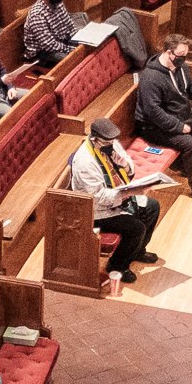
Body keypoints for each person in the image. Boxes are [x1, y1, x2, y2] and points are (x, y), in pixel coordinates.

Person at [69, 118, 161, 288]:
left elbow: (128, 166)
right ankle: (117, 265)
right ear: (94, 139)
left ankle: (137, 251)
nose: (111, 145)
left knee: (152, 207)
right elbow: (98, 198)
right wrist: (129, 193)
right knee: (136, 228)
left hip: (119, 193)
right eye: (107, 142)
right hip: (95, 211)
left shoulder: (110, 143)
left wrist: (124, 165)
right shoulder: (85, 162)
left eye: (112, 141)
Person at [133, 33, 192, 205]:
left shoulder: (181, 67)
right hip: (153, 127)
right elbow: (153, 112)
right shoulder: (151, 78)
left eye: (186, 54)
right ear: (169, 52)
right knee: (190, 144)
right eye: (180, 55)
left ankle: (181, 164)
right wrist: (178, 126)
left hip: (178, 116)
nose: (183, 59)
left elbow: (189, 90)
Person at [23, 0, 81, 67]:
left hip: (60, 41)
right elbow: (49, 45)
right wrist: (71, 49)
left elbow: (69, 25)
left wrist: (79, 39)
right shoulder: (37, 15)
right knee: (73, 60)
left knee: (86, 45)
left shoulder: (57, 2)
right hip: (42, 53)